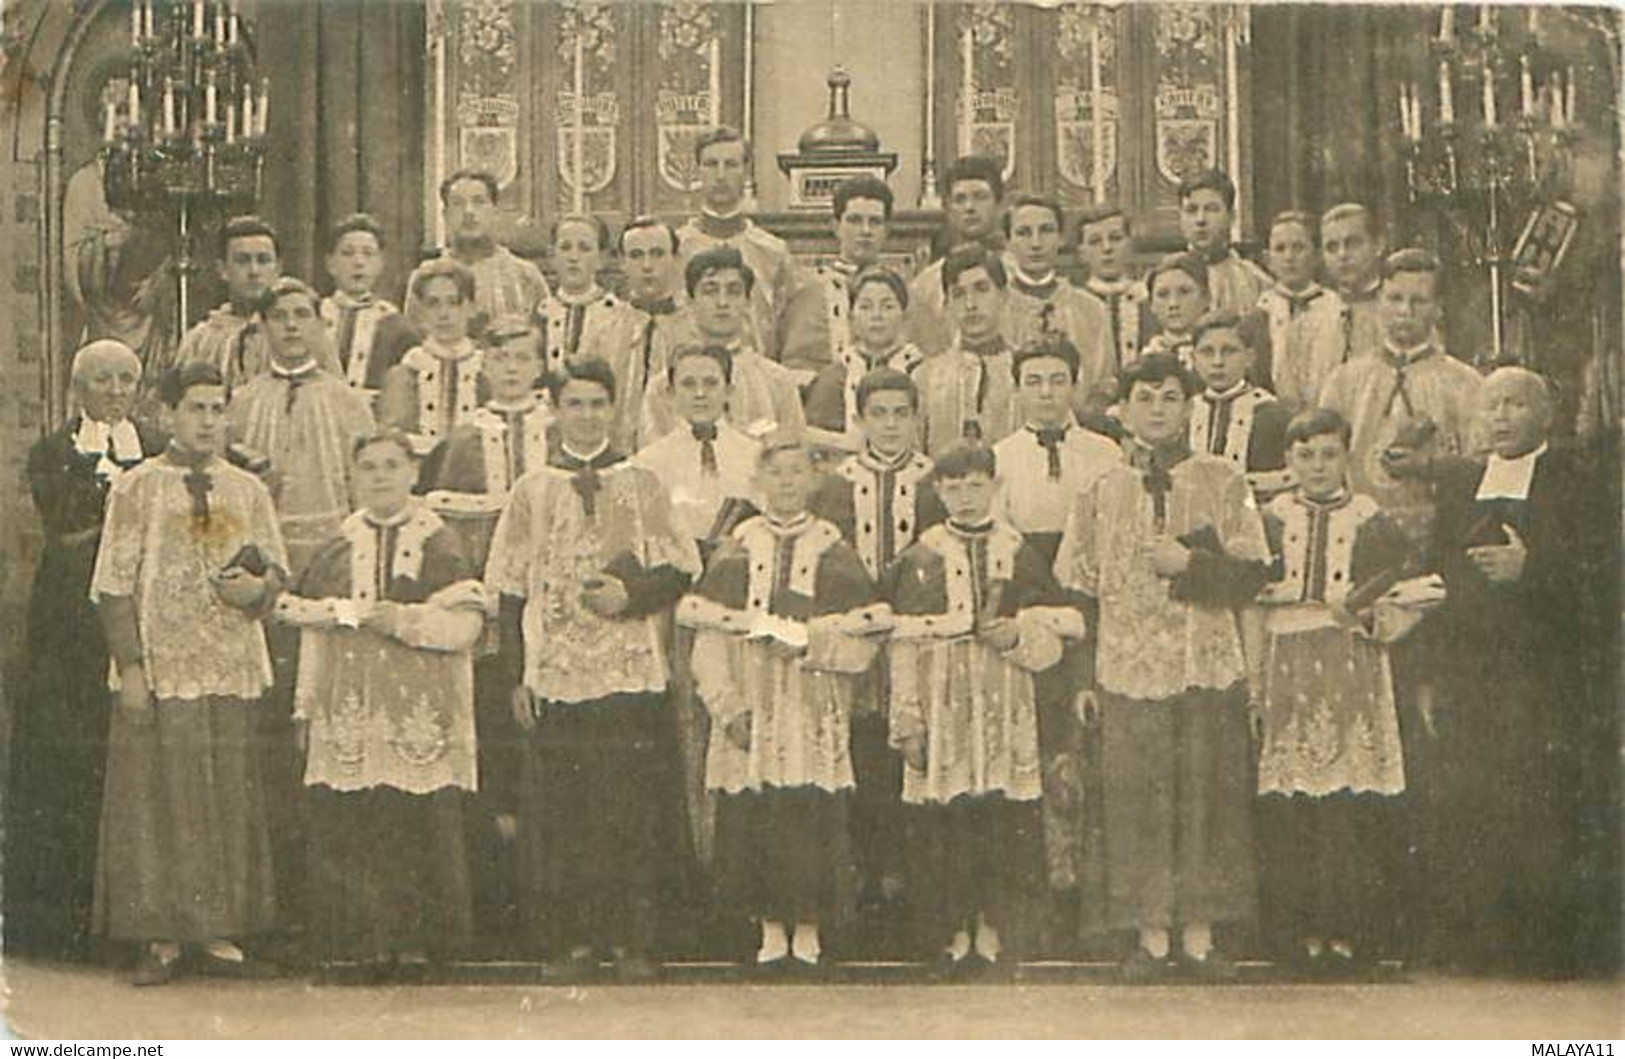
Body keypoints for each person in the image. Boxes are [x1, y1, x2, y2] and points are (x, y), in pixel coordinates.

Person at [1054, 352, 1272, 982]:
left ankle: (1200, 936)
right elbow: (1080, 594)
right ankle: (1150, 936)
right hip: (1126, 666)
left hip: (1204, 663)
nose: (1157, 410)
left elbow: (1255, 573)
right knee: (1139, 802)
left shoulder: (1224, 480)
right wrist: (1083, 680)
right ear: (1123, 410)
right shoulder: (1099, 492)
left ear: (1189, 406)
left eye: (1171, 397)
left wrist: (1191, 566)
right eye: (1145, 398)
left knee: (1205, 798)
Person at [485, 358, 701, 983]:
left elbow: (682, 565)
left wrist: (630, 599)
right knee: (566, 812)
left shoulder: (642, 483)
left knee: (628, 808)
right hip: (557, 672)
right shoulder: (534, 489)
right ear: (555, 412)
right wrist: (517, 676)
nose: (585, 416)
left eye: (596, 404)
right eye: (573, 404)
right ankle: (572, 940)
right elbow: (510, 589)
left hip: (628, 670)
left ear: (614, 409)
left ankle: (631, 939)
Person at [91, 361, 287, 985]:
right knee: (159, 796)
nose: (207, 421)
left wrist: (256, 591)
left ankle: (220, 932)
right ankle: (162, 937)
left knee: (224, 790)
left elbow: (275, 576)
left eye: (216, 408)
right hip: (163, 663)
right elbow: (112, 587)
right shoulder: (137, 487)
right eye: (195, 408)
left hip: (228, 663)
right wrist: (133, 669)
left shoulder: (247, 490)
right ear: (168, 414)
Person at [1421, 367, 1617, 976]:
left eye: (1515, 404)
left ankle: (1548, 950)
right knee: (1474, 801)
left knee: (1542, 802)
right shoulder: (1458, 483)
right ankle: (1481, 946)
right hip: (1471, 670)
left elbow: (1603, 569)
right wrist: (1430, 672)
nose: (1501, 416)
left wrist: (1532, 568)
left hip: (1545, 672)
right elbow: (1437, 577)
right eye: (1491, 405)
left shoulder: (1578, 479)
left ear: (1544, 415)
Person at [274, 430, 485, 977]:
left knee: (417, 824)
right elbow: (310, 631)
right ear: (353, 477)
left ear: (414, 473)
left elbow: (466, 626)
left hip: (421, 713)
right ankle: (361, 941)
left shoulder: (440, 541)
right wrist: (304, 708)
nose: (381, 476)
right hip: (350, 711)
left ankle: (420, 943)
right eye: (368, 467)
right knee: (357, 823)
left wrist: (405, 621)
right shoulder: (336, 546)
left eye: (392, 465)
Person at [678, 432, 888, 973]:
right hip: (751, 703)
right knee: (757, 814)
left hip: (810, 703)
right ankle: (769, 927)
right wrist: (727, 707)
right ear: (757, 482)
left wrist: (812, 644)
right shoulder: (739, 545)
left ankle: (810, 926)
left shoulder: (833, 549)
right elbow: (708, 639)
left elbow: (864, 646)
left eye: (797, 472)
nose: (787, 483)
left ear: (814, 481)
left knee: (809, 814)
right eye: (776, 473)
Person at [886, 443, 1084, 977]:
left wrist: (1018, 633)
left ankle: (994, 934)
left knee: (1000, 820)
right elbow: (902, 646)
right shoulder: (920, 557)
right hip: (942, 701)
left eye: (976, 485)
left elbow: (1057, 636)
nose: (966, 497)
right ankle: (951, 935)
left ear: (995, 487)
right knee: (944, 824)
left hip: (1004, 698)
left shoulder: (1019, 553)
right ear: (938, 492)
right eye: (953, 487)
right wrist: (907, 719)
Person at [6, 340, 162, 958]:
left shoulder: (152, 446)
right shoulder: (53, 452)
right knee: (70, 753)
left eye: (127, 378)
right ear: (79, 387)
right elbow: (68, 528)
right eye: (103, 379)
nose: (117, 390)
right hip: (70, 619)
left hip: (136, 611)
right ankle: (60, 922)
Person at [1253, 408, 1411, 976]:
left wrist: (1369, 612)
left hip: (1351, 661)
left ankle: (1348, 933)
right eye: (1305, 455)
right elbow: (1251, 586)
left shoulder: (1369, 517)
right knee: (1294, 803)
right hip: (1285, 659)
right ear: (1289, 461)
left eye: (1328, 455)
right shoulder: (1271, 517)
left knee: (1348, 801)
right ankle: (1297, 936)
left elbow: (1405, 579)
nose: (1317, 467)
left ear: (1347, 456)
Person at [417, 315, 550, 947]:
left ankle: (543, 893)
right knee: (491, 739)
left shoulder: (561, 427)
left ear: (540, 361)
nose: (514, 368)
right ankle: (493, 896)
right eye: (501, 359)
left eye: (524, 356)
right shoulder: (466, 438)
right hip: (489, 615)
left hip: (549, 609)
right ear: (485, 368)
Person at [809, 367, 945, 919]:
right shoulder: (834, 486)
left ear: (917, 418)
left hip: (917, 641)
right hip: (854, 639)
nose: (890, 425)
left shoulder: (938, 482)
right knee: (859, 748)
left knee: (913, 750)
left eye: (901, 413)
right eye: (879, 414)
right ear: (860, 420)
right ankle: (862, 878)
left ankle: (910, 881)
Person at [990, 336, 1119, 913]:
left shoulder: (1105, 452)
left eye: (1056, 380)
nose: (1045, 392)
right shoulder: (998, 458)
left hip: (1091, 602)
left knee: (1087, 746)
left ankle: (1092, 896)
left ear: (1074, 384)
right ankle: (1039, 896)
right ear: (1018, 388)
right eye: (1033, 381)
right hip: (1030, 603)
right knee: (1035, 745)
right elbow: (999, 544)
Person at [632, 344, 763, 876]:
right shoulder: (650, 462)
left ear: (730, 389)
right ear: (671, 392)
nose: (702, 393)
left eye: (712, 382)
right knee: (685, 733)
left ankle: (738, 869)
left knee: (737, 725)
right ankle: (692, 869)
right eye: (689, 384)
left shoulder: (755, 456)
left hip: (737, 612)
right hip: (675, 610)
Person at [1316, 248, 1484, 549]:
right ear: (1379, 301)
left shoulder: (1465, 384)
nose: (1405, 311)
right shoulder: (1344, 381)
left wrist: (1430, 465)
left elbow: (1483, 467)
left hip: (1442, 538)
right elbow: (1321, 460)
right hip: (1359, 539)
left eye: (1418, 301)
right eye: (1394, 299)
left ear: (1438, 308)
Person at [230, 277, 376, 577]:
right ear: (264, 327)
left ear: (320, 325)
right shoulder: (243, 402)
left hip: (335, 553)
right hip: (261, 554)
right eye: (279, 317)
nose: (291, 326)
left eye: (301, 315)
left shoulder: (347, 402)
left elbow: (365, 486)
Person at [641, 248, 805, 441]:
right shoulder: (663, 387)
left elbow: (793, 453)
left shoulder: (777, 381)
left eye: (733, 292)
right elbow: (652, 459)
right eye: (710, 291)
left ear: (748, 302)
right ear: (690, 301)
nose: (722, 302)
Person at [676, 127, 800, 362]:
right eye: (711, 164)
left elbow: (790, 329)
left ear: (745, 172)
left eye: (731, 165)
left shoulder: (773, 252)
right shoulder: (675, 250)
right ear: (698, 171)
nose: (721, 175)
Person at [158, 216, 320, 395]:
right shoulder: (200, 341)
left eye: (263, 260)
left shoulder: (301, 334)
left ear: (278, 268)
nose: (254, 271)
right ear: (223, 269)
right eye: (243, 261)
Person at [536, 215, 643, 452]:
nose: (574, 257)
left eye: (584, 248)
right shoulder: (538, 316)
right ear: (552, 256)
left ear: (602, 258)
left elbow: (627, 389)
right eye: (565, 248)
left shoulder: (623, 319)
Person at [1000, 195, 1112, 413]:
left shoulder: (1091, 309)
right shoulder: (996, 308)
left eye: (1046, 231)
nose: (1036, 243)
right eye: (1024, 233)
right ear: (1008, 242)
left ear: (1061, 238)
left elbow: (1104, 382)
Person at [406, 169, 551, 336]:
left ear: (495, 212)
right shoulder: (425, 278)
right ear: (445, 215)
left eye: (479, 202)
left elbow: (546, 340)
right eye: (458, 203)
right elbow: (414, 342)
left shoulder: (525, 276)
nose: (469, 211)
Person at [778, 176, 896, 374]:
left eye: (875, 222)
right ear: (836, 227)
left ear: (887, 230)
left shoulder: (902, 294)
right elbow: (795, 364)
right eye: (855, 220)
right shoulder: (809, 293)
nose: (865, 231)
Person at [803, 269, 926, 448]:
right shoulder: (834, 376)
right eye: (866, 307)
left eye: (888, 306)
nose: (877, 316)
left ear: (905, 316)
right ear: (851, 318)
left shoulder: (923, 373)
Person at [913, 248, 1018, 454]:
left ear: (1003, 295)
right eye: (959, 295)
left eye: (981, 289)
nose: (970, 305)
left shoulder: (1026, 372)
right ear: (947, 304)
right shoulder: (926, 376)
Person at [380, 259, 485, 457]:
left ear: (471, 308)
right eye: (433, 303)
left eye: (453, 303)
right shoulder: (405, 372)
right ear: (420, 312)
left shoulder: (486, 370)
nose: (443, 314)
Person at [1186, 311, 1293, 504]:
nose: (1217, 362)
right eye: (1207, 352)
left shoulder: (1272, 414)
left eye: (1229, 351)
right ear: (1193, 359)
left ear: (1249, 357)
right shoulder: (1186, 413)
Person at [907, 156, 1006, 356]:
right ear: (947, 208)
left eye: (980, 197)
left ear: (998, 204)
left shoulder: (1018, 274)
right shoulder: (925, 286)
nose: (970, 207)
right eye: (960, 199)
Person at [611, 217, 694, 452]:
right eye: (636, 255)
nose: (647, 265)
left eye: (657, 254)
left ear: (676, 259)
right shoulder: (603, 328)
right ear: (622, 263)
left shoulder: (694, 330)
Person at [320, 213, 419, 404]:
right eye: (347, 253)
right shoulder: (314, 316)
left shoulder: (396, 325)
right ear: (330, 264)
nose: (358, 262)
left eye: (368, 253)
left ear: (380, 263)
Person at [1256, 211, 1347, 411]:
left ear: (1316, 255)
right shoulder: (1259, 314)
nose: (1289, 257)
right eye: (1280, 249)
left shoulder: (1337, 310)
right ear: (1268, 259)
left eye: (1298, 248)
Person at [1177, 168, 1272, 318]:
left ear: (1231, 217)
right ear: (1180, 217)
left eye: (1211, 209)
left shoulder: (1256, 282)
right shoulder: (1164, 282)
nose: (1200, 219)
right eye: (1191, 210)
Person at [1076, 203, 1147, 380]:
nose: (1107, 248)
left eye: (1115, 238)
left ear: (1130, 245)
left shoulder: (1150, 299)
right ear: (1081, 253)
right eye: (1095, 242)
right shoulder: (1073, 304)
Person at [1320, 203, 1386, 364]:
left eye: (1353, 243)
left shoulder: (1399, 312)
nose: (1342, 255)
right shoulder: (1313, 318)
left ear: (1378, 245)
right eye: (1332, 247)